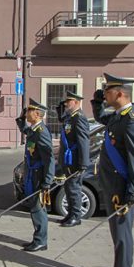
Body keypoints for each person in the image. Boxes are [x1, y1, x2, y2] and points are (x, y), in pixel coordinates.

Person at [90, 73, 134, 267]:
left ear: (120, 93)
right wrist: (96, 103)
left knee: (123, 234)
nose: (105, 94)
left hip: (121, 188)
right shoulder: (117, 117)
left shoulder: (132, 121)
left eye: (107, 91)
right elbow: (101, 118)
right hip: (112, 184)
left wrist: (133, 191)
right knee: (117, 233)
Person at [15, 98, 55, 252]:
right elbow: (24, 129)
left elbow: (49, 158)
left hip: (38, 176)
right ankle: (38, 238)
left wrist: (47, 181)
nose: (27, 113)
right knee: (34, 206)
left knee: (38, 208)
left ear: (38, 114)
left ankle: (41, 241)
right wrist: (21, 117)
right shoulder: (34, 129)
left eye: (30, 111)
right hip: (32, 173)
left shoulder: (42, 132)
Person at [56, 91, 90, 227]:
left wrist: (83, 163)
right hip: (68, 159)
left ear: (76, 102)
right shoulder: (70, 117)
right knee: (69, 188)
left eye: (67, 102)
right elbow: (61, 119)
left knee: (74, 188)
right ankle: (70, 214)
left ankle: (76, 216)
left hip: (75, 160)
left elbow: (83, 141)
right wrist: (60, 107)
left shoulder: (79, 117)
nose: (65, 104)